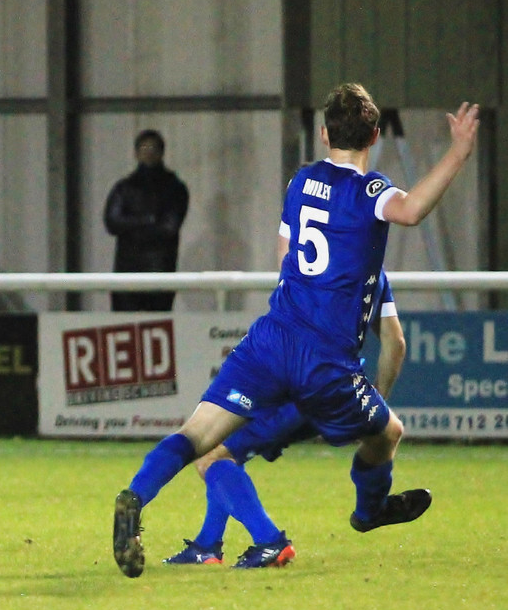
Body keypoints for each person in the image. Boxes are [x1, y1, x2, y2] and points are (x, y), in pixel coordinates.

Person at [112, 85, 479, 579]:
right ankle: (368, 512)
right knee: (389, 430)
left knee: (197, 436)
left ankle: (135, 498)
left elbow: (285, 258)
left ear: (324, 134)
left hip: (272, 337)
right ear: (374, 135)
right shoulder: (369, 192)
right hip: (323, 359)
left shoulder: (301, 182)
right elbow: (410, 211)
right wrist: (457, 152)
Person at [165, 272, 404, 568]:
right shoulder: (372, 272)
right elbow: (396, 342)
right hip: (341, 390)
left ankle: (269, 542)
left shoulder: (313, 260)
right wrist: (373, 404)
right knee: (224, 454)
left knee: (211, 458)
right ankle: (206, 545)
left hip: (298, 384)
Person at [102, 130, 189, 311]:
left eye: (153, 148)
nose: (148, 153)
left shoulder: (175, 188)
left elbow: (169, 228)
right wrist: (148, 220)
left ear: (162, 152)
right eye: (144, 148)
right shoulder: (124, 188)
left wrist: (131, 226)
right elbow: (111, 222)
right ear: (135, 153)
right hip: (126, 273)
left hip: (160, 272)